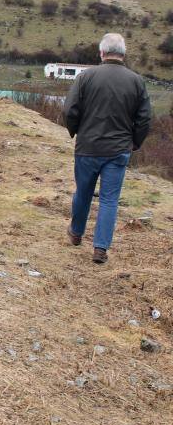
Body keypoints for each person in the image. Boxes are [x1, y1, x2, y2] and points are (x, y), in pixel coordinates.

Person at [63, 33, 152, 264]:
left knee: (83, 193)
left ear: (102, 53)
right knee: (109, 200)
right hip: (119, 150)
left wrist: (75, 132)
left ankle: (75, 234)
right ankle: (100, 248)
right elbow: (144, 119)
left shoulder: (86, 77)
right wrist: (135, 142)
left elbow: (70, 110)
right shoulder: (136, 81)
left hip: (87, 147)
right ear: (123, 54)